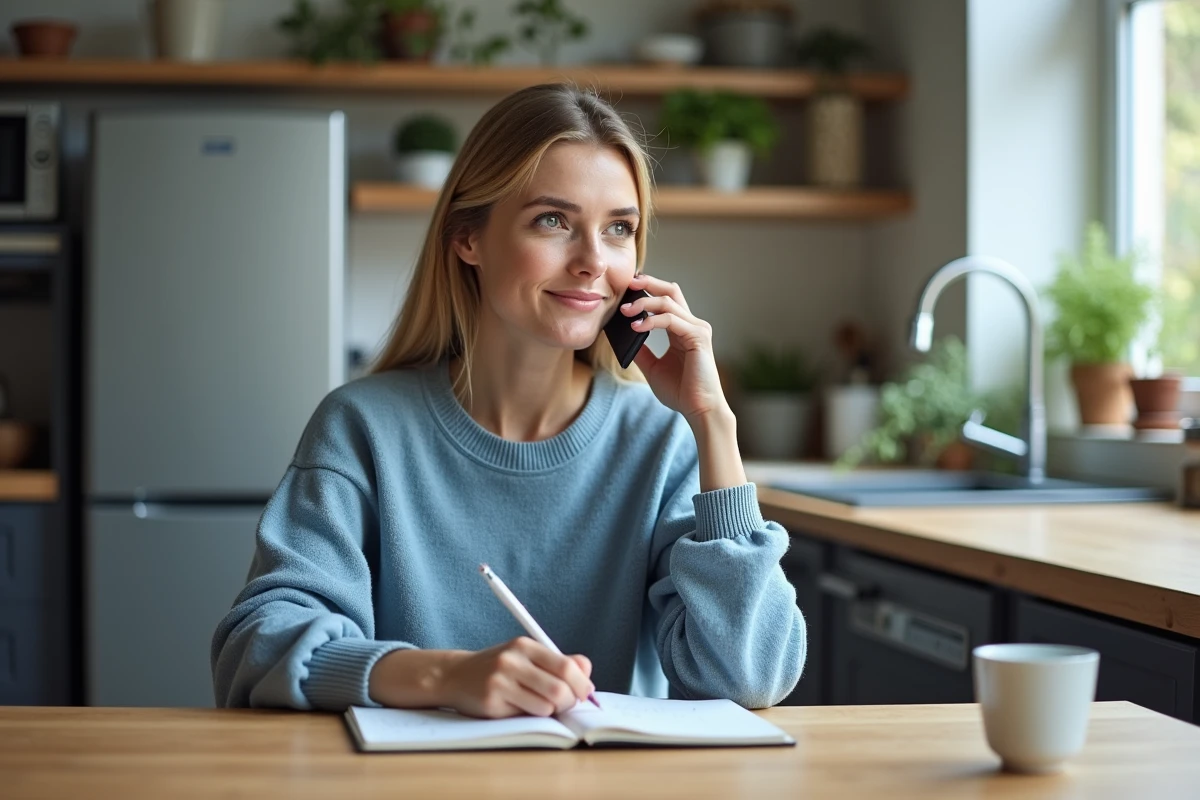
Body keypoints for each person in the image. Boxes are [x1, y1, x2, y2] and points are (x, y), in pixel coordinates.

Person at [211, 83, 806, 717]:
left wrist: (714, 425)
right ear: (468, 237)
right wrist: (443, 676)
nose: (592, 263)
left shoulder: (663, 441)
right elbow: (255, 648)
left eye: (619, 229)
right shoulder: (362, 428)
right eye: (553, 221)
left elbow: (753, 676)